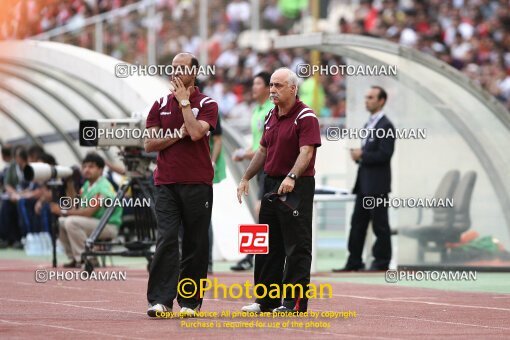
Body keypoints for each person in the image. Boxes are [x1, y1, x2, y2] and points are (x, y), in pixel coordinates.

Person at [237, 67, 321, 313]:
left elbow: (307, 151)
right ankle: (266, 300)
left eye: (278, 85)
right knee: (267, 245)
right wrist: (245, 177)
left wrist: (292, 176)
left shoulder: (306, 116)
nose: (272, 89)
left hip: (296, 186)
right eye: (271, 85)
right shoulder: (270, 116)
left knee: (296, 245)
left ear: (293, 89)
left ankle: (293, 303)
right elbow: (262, 150)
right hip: (271, 184)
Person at [144, 52, 218, 318]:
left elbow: (197, 133)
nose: (175, 71)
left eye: (181, 68)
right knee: (166, 239)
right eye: (172, 67)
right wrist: (177, 134)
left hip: (197, 183)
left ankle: (190, 301)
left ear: (194, 72)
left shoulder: (208, 103)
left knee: (195, 243)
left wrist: (185, 103)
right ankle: (160, 300)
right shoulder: (159, 104)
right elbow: (150, 144)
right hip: (165, 183)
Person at [333, 86, 395, 272]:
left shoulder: (386, 126)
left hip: (377, 186)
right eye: (366, 97)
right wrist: (359, 156)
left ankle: (382, 261)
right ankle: (354, 261)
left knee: (380, 225)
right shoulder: (369, 123)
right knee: (357, 224)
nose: (367, 100)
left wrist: (362, 154)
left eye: (371, 97)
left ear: (381, 100)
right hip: (364, 185)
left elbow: (385, 154)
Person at [231, 71, 272, 271]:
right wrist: (244, 153)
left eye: (258, 83)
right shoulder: (257, 110)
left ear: (267, 87)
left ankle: (253, 256)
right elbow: (259, 144)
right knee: (261, 211)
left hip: (269, 166)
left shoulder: (272, 109)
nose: (254, 87)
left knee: (261, 210)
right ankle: (255, 256)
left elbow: (267, 147)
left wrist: (247, 155)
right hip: (259, 166)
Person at [50, 152, 122, 268]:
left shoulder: (103, 186)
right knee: (61, 222)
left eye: (91, 167)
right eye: (84, 167)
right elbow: (78, 207)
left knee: (71, 222)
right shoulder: (87, 185)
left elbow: (89, 212)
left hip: (108, 226)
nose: (86, 170)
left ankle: (87, 258)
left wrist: (62, 211)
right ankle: (74, 258)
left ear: (100, 170)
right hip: (94, 224)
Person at [208, 115, 226, 273]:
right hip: (183, 171)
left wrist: (211, 163)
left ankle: (208, 262)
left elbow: (218, 140)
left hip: (203, 171)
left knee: (203, 217)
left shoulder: (209, 107)